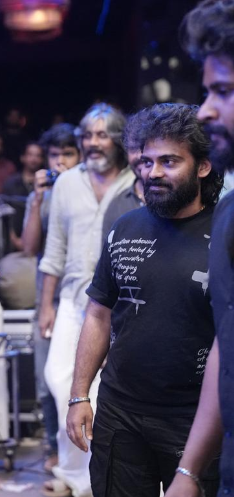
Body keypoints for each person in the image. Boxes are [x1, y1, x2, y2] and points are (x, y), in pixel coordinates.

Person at [67, 103, 223, 497]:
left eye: (169, 161)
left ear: (203, 166)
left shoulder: (227, 233)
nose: (153, 173)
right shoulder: (125, 227)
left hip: (196, 419)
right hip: (120, 411)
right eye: (146, 161)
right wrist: (79, 394)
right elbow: (98, 314)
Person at [38, 103, 134, 497]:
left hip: (122, 305)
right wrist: (46, 305)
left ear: (119, 140)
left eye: (102, 135)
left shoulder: (135, 179)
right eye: (87, 135)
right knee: (60, 379)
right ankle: (73, 471)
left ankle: (96, 477)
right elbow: (54, 250)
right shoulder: (66, 183)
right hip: (73, 298)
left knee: (101, 391)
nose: (93, 143)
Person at [165, 0, 234, 496]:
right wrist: (189, 471)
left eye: (223, 91)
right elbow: (227, 345)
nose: (206, 109)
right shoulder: (230, 214)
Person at [21, 123, 81, 473]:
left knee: (78, 376)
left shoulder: (86, 191)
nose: (60, 162)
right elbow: (30, 247)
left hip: (82, 296)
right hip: (48, 296)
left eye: (68, 154)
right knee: (47, 377)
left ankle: (82, 451)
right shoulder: (41, 195)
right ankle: (52, 447)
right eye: (54, 155)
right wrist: (38, 199)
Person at [3, 141, 44, 251]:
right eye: (30, 155)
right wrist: (16, 241)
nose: (34, 159)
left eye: (38, 156)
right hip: (14, 244)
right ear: (23, 158)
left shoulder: (46, 184)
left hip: (40, 243)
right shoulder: (11, 183)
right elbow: (5, 216)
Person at [100, 149, 145, 239]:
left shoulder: (172, 200)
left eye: (144, 148)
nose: (140, 156)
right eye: (134, 148)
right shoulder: (117, 205)